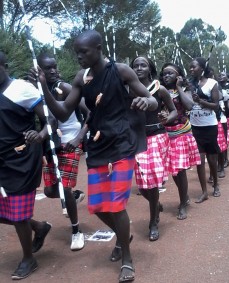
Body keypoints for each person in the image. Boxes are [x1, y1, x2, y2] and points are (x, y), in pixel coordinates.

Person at [29, 30, 158, 283]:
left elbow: (150, 98)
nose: (78, 56)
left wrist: (146, 102)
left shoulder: (121, 71)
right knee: (97, 207)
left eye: (83, 51)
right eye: (76, 52)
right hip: (97, 147)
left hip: (122, 144)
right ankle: (124, 236)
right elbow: (64, 112)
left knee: (116, 204)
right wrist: (43, 86)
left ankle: (127, 258)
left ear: (98, 48)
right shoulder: (81, 78)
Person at [0, 51, 54, 280]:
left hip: (23, 157)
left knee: (18, 213)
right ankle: (39, 227)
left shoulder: (21, 88)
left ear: (5, 65)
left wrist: (41, 135)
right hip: (1, 160)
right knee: (7, 211)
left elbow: (49, 118)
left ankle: (28, 259)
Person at [36, 53, 90, 251]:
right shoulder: (37, 90)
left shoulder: (64, 87)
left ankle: (76, 231)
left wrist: (79, 138)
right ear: (39, 70)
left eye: (54, 67)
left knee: (64, 188)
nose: (53, 71)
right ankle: (74, 196)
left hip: (69, 142)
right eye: (47, 68)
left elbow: (89, 112)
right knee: (51, 190)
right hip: (51, 144)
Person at [130, 56, 177, 240]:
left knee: (153, 182)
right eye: (135, 65)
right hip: (136, 139)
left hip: (156, 136)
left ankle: (153, 222)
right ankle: (156, 204)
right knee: (142, 187)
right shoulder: (127, 89)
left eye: (143, 65)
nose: (139, 68)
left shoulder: (160, 89)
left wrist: (168, 119)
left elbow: (173, 110)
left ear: (150, 69)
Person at [159, 62, 202, 219]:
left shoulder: (184, 89)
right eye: (164, 74)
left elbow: (190, 105)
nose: (167, 76)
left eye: (170, 73)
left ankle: (183, 202)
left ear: (178, 76)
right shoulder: (159, 90)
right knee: (173, 171)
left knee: (180, 170)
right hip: (165, 134)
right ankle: (185, 197)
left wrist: (179, 87)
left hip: (181, 133)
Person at [188, 57, 221, 202]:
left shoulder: (212, 83)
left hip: (209, 126)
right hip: (195, 127)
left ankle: (216, 185)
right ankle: (204, 192)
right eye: (190, 67)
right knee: (199, 161)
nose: (191, 69)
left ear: (202, 68)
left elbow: (216, 105)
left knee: (212, 159)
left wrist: (200, 101)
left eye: (193, 67)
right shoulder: (190, 84)